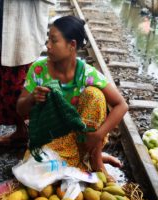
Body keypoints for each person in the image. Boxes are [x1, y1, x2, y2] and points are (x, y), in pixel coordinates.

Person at [17, 16, 128, 179]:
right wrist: (32, 98)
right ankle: (86, 158)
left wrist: (97, 136)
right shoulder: (39, 70)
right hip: (50, 137)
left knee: (95, 95)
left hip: (82, 138)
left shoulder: (87, 74)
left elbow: (121, 105)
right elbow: (20, 109)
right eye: (48, 39)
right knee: (37, 170)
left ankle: (95, 157)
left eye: (53, 41)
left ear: (72, 45)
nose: (47, 46)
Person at [0, 0, 54, 146]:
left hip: (22, 30)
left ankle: (30, 129)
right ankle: (21, 130)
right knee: (4, 83)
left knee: (21, 85)